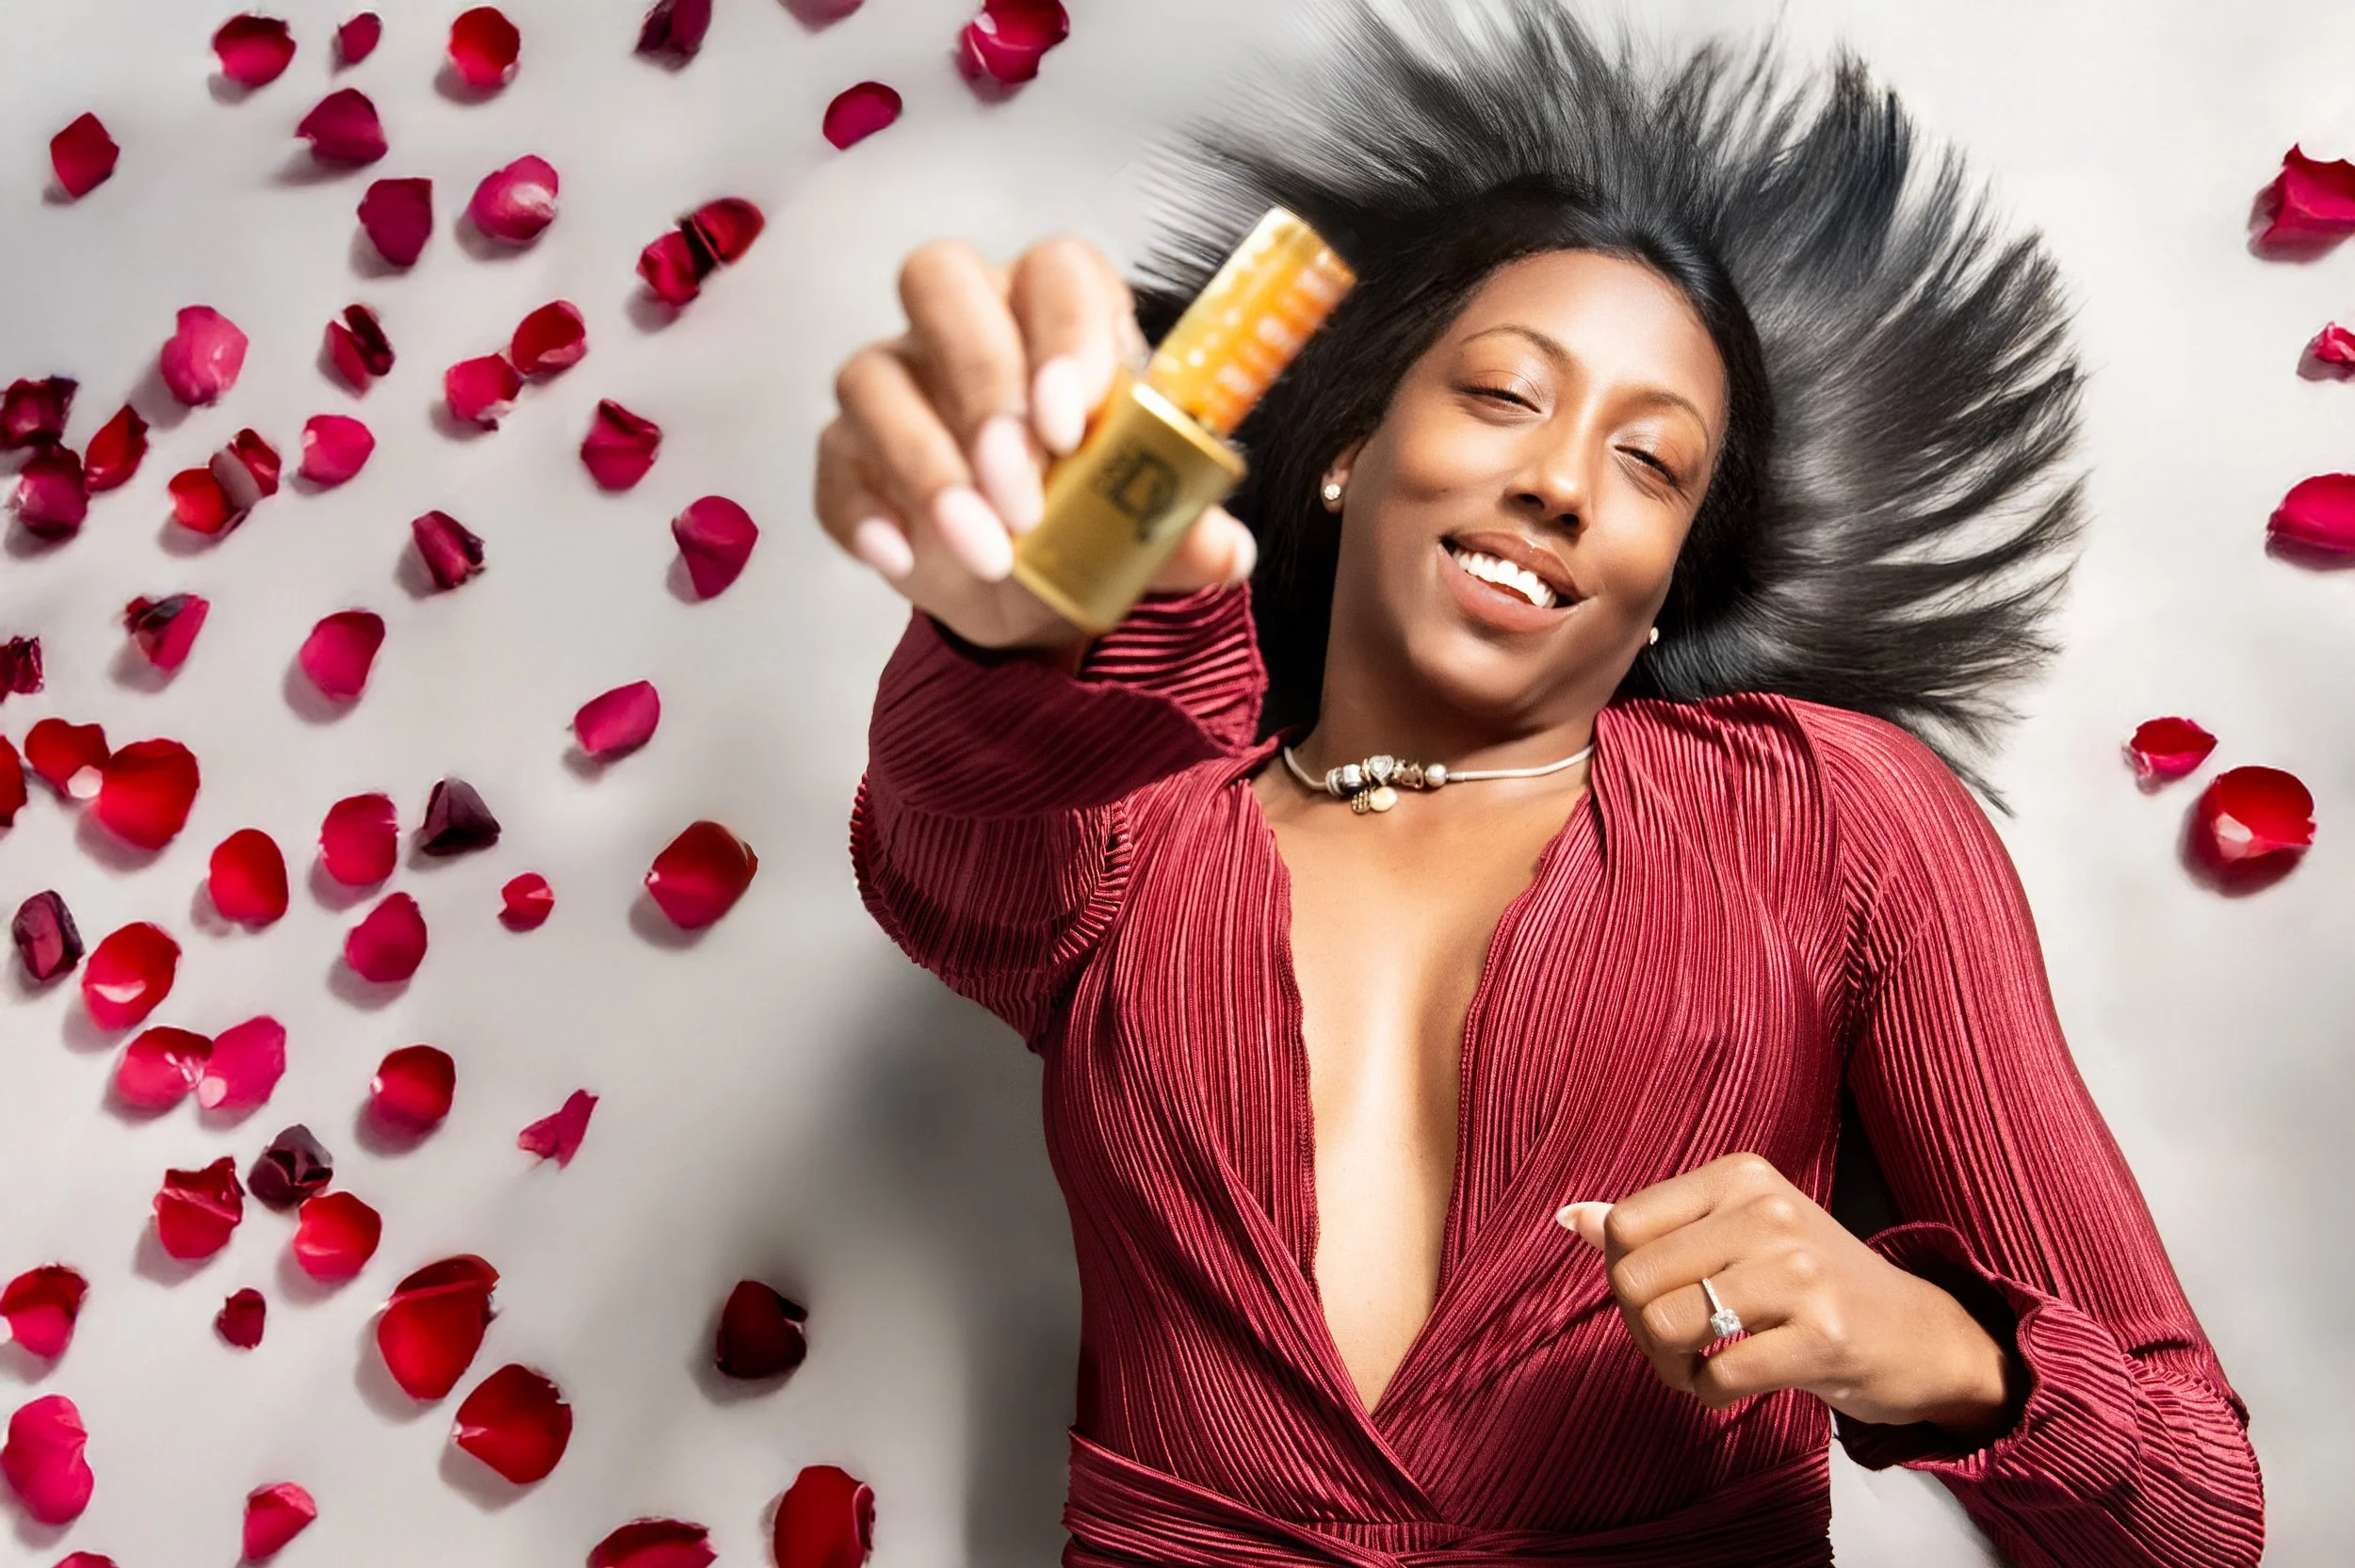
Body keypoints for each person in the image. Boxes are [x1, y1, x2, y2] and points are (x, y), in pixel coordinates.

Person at [816, 2, 2266, 1562]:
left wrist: (1935, 1352)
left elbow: (2194, 1521)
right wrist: (1029, 627)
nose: (1563, 481)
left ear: (1664, 583)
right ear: (1347, 449)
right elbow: (973, 802)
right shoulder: (1128, 843)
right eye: (1504, 394)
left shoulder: (1828, 821)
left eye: (1652, 465)